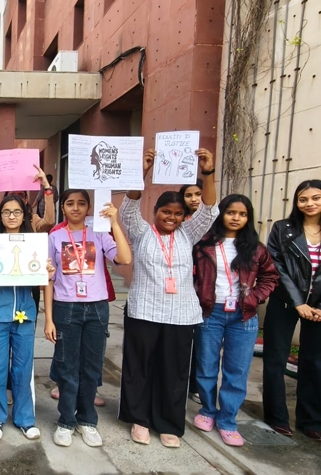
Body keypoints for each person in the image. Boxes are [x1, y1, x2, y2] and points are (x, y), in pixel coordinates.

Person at [118, 148, 217, 449]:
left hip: (180, 314)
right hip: (145, 311)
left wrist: (208, 172)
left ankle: (169, 423)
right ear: (155, 213)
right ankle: (140, 419)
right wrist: (142, 170)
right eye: (165, 212)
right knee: (140, 367)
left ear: (183, 217)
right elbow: (128, 209)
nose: (171, 217)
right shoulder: (142, 232)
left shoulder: (188, 234)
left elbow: (210, 210)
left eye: (177, 214)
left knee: (174, 370)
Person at [262, 180, 321, 442]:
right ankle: (276, 417)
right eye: (303, 199)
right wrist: (297, 302)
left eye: (315, 198)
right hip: (285, 302)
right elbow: (275, 266)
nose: (309, 203)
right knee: (275, 359)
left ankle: (311, 421)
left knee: (317, 363)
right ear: (296, 202)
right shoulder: (283, 229)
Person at [44, 190, 131, 447]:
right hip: (65, 307)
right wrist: (48, 318)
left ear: (88, 208)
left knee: (91, 368)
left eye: (81, 204)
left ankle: (87, 421)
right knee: (67, 367)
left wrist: (115, 222)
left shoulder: (99, 233)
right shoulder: (55, 237)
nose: (76, 208)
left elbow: (125, 259)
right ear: (63, 209)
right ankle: (66, 421)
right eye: (70, 203)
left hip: (96, 309)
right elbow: (48, 279)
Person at [192, 194, 279, 446]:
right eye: (231, 212)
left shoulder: (256, 248)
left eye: (242, 214)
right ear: (221, 214)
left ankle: (228, 421)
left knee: (236, 371)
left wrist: (254, 299)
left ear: (248, 218)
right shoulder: (203, 245)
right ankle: (207, 411)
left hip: (244, 315)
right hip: (211, 311)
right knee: (206, 366)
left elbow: (270, 277)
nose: (236, 218)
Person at [0, 194, 56, 441]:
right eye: (6, 212)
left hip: (25, 315)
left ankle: (25, 419)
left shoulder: (34, 245)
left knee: (23, 370)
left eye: (17, 212)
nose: (11, 216)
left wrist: (47, 271)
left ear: (24, 215)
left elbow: (45, 279)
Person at [0, 165, 56, 233]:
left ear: (26, 200)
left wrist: (46, 186)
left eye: (20, 195)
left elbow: (49, 221)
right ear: (5, 199)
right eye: (12, 195)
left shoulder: (32, 220)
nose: (16, 199)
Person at [179, 179, 204, 404]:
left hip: (204, 287)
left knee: (201, 339)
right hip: (182, 285)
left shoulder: (211, 223)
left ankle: (195, 385)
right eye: (189, 195)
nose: (194, 199)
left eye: (198, 194)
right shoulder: (179, 222)